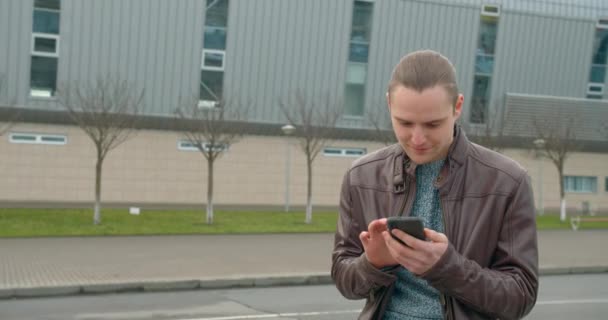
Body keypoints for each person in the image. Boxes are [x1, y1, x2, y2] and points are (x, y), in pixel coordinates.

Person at [331, 50, 538, 319]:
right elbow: (344, 279)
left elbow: (521, 296)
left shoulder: (509, 181)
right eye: (404, 123)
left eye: (432, 124)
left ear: (458, 106)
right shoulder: (361, 176)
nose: (417, 138)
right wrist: (373, 263)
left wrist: (446, 266)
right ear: (389, 105)